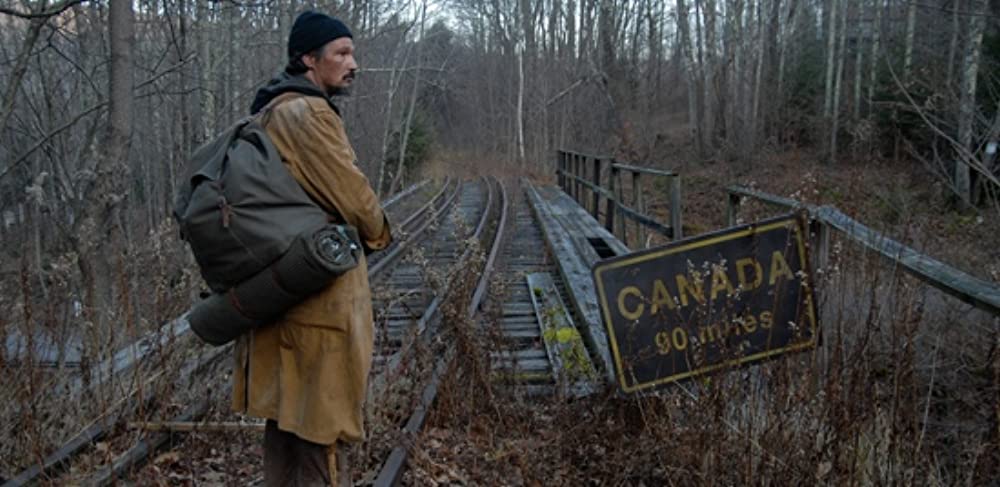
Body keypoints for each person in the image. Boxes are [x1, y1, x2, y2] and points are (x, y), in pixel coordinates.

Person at [235, 10, 391, 486]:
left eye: (352, 52)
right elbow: (355, 198)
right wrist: (381, 230)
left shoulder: (271, 107)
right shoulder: (307, 113)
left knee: (286, 427)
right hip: (316, 299)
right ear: (308, 58)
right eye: (341, 53)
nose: (353, 63)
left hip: (284, 292)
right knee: (317, 433)